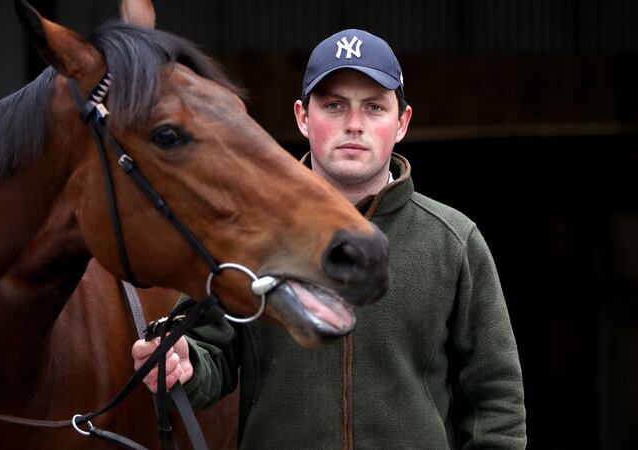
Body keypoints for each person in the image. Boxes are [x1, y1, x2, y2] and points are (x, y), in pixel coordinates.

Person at [133, 28, 527, 449]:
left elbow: (497, 400)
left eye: (374, 107)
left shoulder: (453, 240)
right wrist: (183, 363)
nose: (354, 125)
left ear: (401, 123)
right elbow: (207, 354)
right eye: (334, 105)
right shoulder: (250, 232)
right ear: (303, 117)